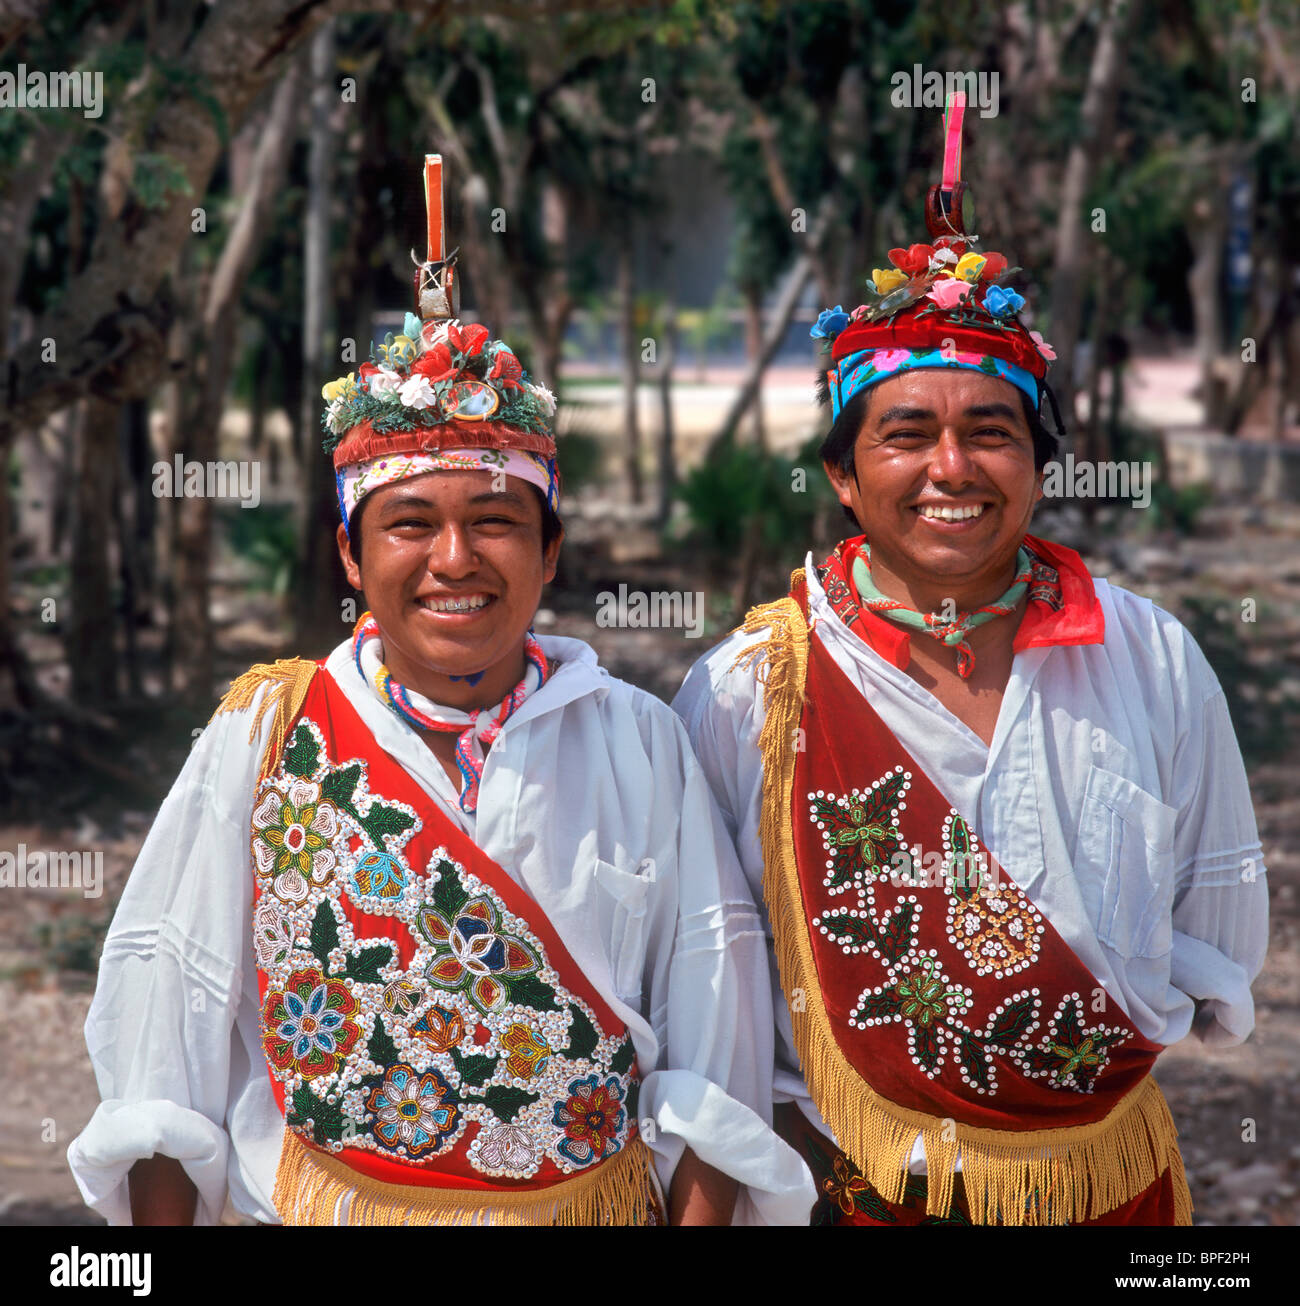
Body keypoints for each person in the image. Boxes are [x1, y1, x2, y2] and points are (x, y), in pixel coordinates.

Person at [68, 159, 814, 1227]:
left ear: (549, 551)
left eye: (498, 520)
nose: (454, 557)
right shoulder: (270, 734)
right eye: (410, 522)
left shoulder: (638, 737)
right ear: (351, 553)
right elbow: (165, 1031)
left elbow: (715, 1031)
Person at [672, 133, 1269, 1226]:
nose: (951, 468)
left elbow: (1216, 938)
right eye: (906, 435)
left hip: (1111, 1189)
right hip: (849, 1195)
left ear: (1040, 464)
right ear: (844, 477)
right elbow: (709, 994)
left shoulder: (1149, 657)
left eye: (989, 432)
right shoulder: (748, 691)